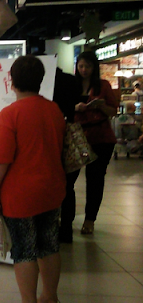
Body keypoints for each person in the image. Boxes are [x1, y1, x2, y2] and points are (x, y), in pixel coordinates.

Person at [0, 55, 67, 303]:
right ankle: (50, 300)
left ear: (12, 81)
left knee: (24, 250)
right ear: (40, 80)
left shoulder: (11, 114)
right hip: (52, 189)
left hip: (21, 194)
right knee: (49, 245)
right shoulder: (54, 110)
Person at [69, 51, 118, 235]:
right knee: (69, 178)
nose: (84, 70)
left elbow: (113, 111)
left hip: (100, 136)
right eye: (81, 66)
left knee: (95, 179)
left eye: (88, 66)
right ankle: (67, 218)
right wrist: (75, 107)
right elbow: (63, 107)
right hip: (76, 135)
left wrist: (101, 105)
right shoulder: (72, 85)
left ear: (94, 68)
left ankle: (90, 219)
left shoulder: (103, 85)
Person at [53, 67, 82, 243]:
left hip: (52, 139)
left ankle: (51, 227)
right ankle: (66, 229)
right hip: (69, 137)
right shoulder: (71, 81)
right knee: (68, 187)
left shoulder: (46, 82)